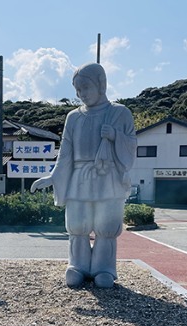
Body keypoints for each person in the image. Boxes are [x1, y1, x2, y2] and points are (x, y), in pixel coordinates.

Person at [31, 63, 137, 288]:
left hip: (107, 176)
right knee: (77, 225)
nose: (82, 94)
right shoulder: (73, 117)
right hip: (79, 178)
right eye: (78, 90)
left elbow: (131, 146)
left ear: (101, 84)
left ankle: (104, 269)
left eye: (86, 87)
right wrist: (53, 176)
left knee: (106, 226)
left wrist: (116, 135)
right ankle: (77, 265)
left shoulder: (119, 113)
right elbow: (66, 153)